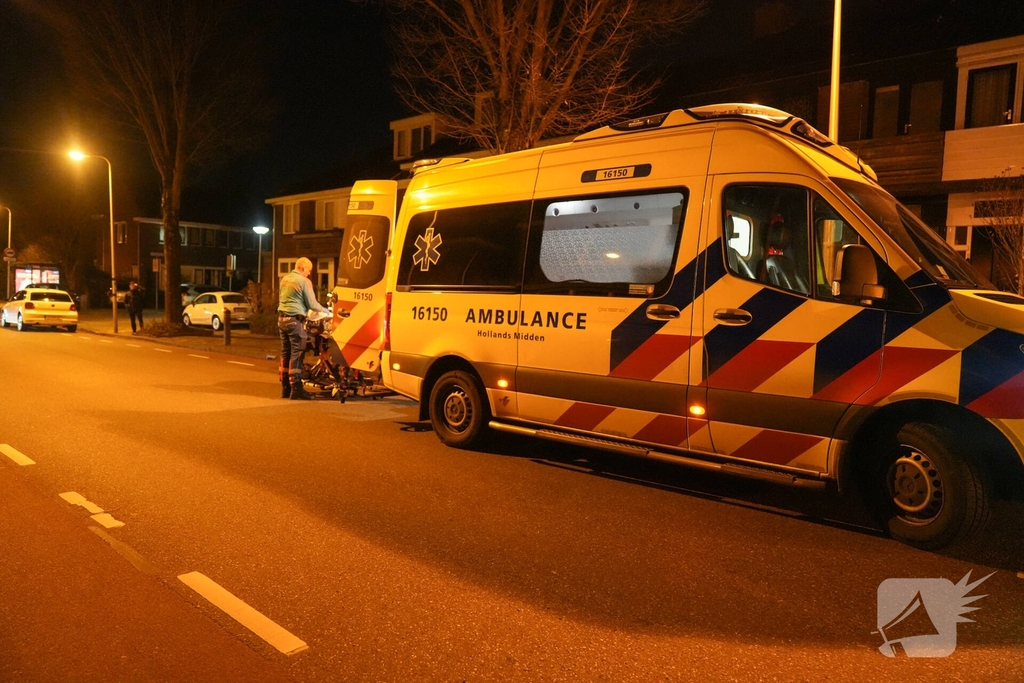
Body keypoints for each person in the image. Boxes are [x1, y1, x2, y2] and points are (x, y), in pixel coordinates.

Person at [277, 257, 329, 400]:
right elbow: (312, 304)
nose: (309, 273)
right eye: (308, 270)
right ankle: (296, 388)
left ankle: (285, 388)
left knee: (285, 353)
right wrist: (327, 311)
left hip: (282, 320)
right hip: (295, 320)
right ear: (301, 267)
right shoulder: (304, 281)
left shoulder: (285, 279)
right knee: (297, 354)